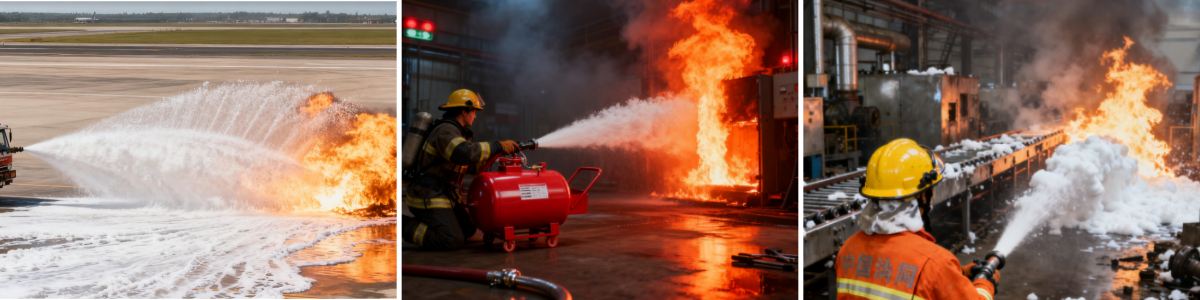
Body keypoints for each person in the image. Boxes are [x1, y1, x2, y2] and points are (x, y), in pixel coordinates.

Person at [835, 138, 999, 300]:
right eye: (931, 189)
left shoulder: (848, 249)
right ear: (920, 196)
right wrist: (985, 283)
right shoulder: (936, 262)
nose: (933, 194)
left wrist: (959, 274)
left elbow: (887, 278)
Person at [402, 89, 519, 250]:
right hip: (427, 194)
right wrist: (497, 145)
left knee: (469, 229)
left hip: (442, 192)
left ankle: (437, 223)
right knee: (451, 239)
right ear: (464, 111)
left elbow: (466, 164)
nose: (475, 116)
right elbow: (464, 152)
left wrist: (494, 158)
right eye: (474, 112)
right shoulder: (446, 131)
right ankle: (401, 225)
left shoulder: (457, 132)